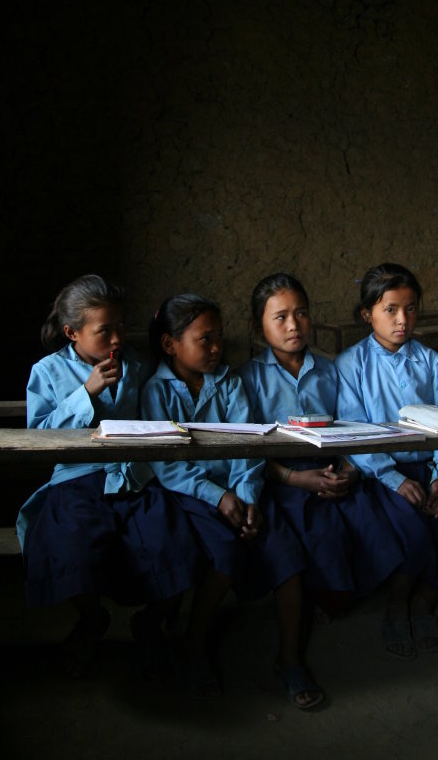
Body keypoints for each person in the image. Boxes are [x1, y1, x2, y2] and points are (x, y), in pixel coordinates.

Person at [141, 293, 324, 709]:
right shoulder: (157, 391)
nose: (217, 348)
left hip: (243, 490)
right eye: (204, 339)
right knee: (224, 555)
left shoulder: (229, 382)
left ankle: (290, 660)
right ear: (171, 345)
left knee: (287, 559)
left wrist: (247, 496)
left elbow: (249, 445)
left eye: (219, 338)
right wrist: (219, 496)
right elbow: (168, 467)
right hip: (191, 495)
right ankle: (194, 646)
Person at [17, 274, 202, 679]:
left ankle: (149, 622)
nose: (117, 338)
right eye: (105, 331)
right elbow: (39, 437)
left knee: (172, 540)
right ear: (72, 332)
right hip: (77, 479)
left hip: (132, 474)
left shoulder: (136, 363)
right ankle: (91, 617)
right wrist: (87, 393)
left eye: (121, 326)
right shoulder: (47, 371)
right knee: (72, 545)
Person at [335, 263, 438, 659]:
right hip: (381, 471)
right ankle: (396, 606)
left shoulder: (429, 361)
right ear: (367, 313)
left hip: (432, 468)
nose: (403, 320)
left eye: (412, 308)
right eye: (391, 310)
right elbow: (355, 434)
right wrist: (393, 479)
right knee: (412, 532)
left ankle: (423, 601)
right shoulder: (351, 365)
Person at [237, 272, 404, 617]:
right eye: (280, 317)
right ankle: (322, 594)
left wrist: (351, 470)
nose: (293, 325)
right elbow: (248, 450)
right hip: (279, 477)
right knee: (313, 528)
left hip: (331, 467)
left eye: (301, 313)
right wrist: (294, 478)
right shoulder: (248, 379)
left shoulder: (329, 371)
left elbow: (350, 425)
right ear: (258, 328)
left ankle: (350, 592)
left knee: (369, 519)